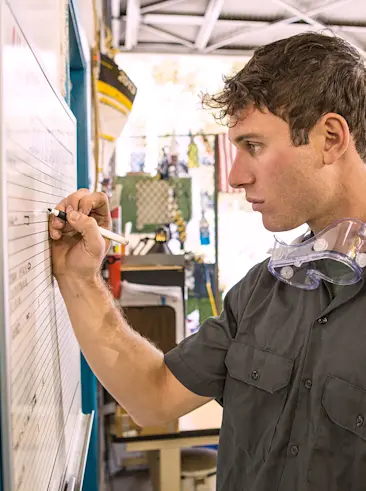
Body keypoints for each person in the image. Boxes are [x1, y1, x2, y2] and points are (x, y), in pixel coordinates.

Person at [49, 32, 366, 491]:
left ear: (331, 138)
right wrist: (79, 277)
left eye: (252, 145)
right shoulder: (265, 290)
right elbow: (154, 397)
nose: (236, 175)